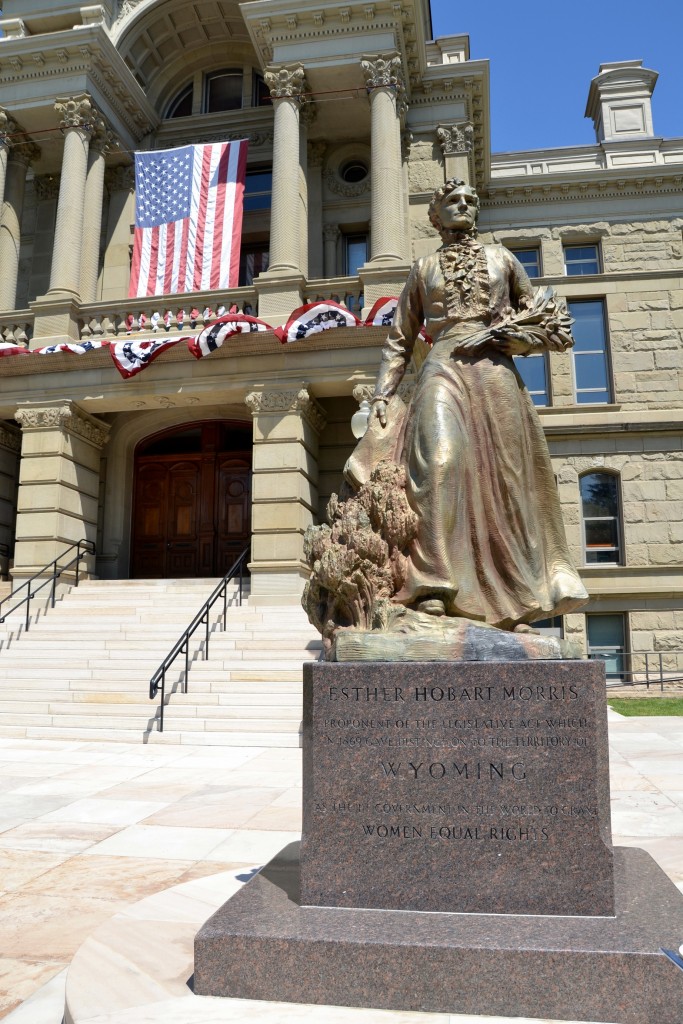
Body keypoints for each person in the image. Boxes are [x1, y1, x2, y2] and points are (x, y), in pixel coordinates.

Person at [370, 178, 587, 631]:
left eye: (471, 200)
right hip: (442, 365)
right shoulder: (423, 267)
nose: (464, 205)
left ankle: (517, 602)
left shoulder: (503, 260)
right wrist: (381, 395)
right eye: (453, 200)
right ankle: (432, 585)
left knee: (509, 482)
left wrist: (509, 337)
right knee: (440, 464)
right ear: (436, 214)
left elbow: (554, 328)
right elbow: (399, 340)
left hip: (494, 371)